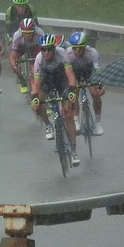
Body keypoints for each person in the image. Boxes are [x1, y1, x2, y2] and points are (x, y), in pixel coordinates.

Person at [30, 34, 80, 166]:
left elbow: (70, 75)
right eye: (43, 49)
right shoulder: (39, 59)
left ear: (54, 48)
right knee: (36, 103)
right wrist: (35, 97)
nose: (46, 52)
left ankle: (74, 151)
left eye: (49, 49)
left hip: (61, 80)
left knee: (69, 113)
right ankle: (48, 124)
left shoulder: (62, 53)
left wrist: (71, 89)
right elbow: (36, 82)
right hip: (47, 81)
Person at [66, 31, 105, 136]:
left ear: (85, 46)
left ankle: (98, 122)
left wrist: (100, 85)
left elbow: (98, 71)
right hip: (75, 73)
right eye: (74, 48)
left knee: (95, 93)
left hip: (89, 72)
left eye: (80, 48)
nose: (77, 51)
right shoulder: (68, 54)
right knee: (74, 93)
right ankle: (76, 120)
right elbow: (67, 73)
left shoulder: (92, 52)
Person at [9, 17, 45, 94]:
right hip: (22, 47)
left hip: (35, 47)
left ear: (34, 31)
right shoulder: (17, 35)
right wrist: (15, 66)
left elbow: (44, 51)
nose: (27, 35)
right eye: (25, 33)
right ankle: (21, 80)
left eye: (30, 32)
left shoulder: (40, 33)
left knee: (36, 66)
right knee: (14, 63)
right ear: (21, 31)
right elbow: (13, 55)